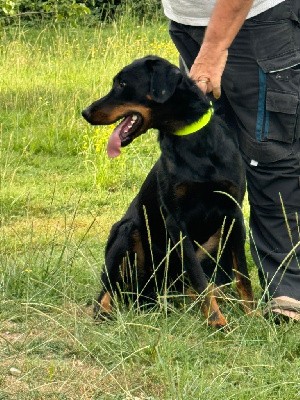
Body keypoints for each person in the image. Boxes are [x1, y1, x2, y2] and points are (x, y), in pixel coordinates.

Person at [161, 0, 300, 321]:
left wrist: (212, 52)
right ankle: (213, 281)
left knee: (271, 155)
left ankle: (287, 291)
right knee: (205, 159)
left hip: (257, 21)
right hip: (189, 24)